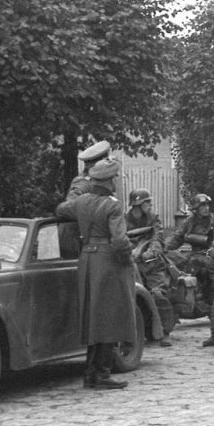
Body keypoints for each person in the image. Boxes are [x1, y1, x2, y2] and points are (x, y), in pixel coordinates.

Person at [55, 158, 135, 390]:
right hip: (109, 261)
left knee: (93, 317)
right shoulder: (113, 205)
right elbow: (120, 241)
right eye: (114, 178)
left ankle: (90, 372)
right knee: (110, 316)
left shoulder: (81, 202)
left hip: (87, 260)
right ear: (109, 181)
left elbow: (61, 208)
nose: (116, 182)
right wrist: (128, 260)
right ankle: (102, 373)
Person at [165, 194, 214, 347]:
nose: (206, 208)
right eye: (202, 206)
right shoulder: (189, 221)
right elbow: (177, 237)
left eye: (207, 205)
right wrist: (163, 249)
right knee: (171, 269)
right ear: (195, 208)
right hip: (194, 256)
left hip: (211, 256)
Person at [125, 188, 173, 347]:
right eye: (147, 202)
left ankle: (165, 332)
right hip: (131, 264)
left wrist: (150, 253)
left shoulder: (153, 219)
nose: (150, 205)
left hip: (152, 264)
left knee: (158, 294)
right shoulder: (124, 220)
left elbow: (157, 238)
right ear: (137, 204)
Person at [59, 140, 111, 258]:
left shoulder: (96, 181)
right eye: (105, 161)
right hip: (76, 242)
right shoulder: (83, 182)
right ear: (95, 164)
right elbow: (69, 207)